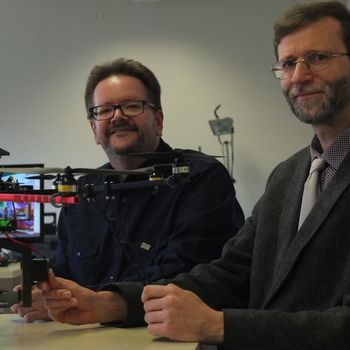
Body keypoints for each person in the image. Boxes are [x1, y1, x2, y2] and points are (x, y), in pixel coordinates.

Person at [38, 2, 350, 348]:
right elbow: (229, 273)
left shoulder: (200, 177)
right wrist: (110, 303)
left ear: (158, 118)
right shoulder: (288, 176)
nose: (300, 76)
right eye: (288, 63)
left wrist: (220, 325)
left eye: (320, 57)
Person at [11, 58, 244, 322]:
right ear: (94, 129)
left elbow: (195, 276)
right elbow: (63, 275)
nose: (118, 116)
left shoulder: (198, 178)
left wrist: (101, 302)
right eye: (105, 110)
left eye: (132, 106)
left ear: (158, 120)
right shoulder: (83, 190)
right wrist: (47, 296)